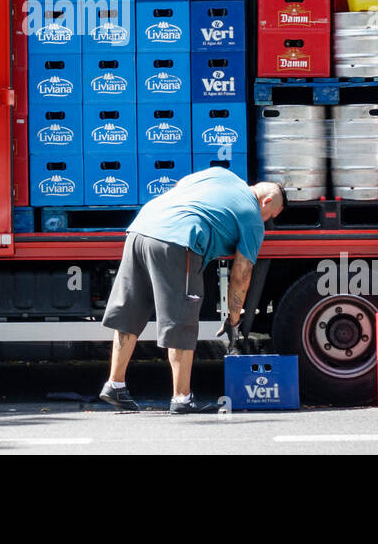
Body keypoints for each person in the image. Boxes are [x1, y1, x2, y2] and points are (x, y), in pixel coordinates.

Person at [99, 167, 285, 414]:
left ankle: (115, 384)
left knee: (130, 312)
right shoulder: (252, 216)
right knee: (181, 319)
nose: (266, 221)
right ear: (267, 201)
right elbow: (241, 274)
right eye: (269, 215)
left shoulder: (223, 174)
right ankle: (182, 399)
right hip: (177, 240)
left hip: (142, 227)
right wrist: (234, 318)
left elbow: (181, 183)